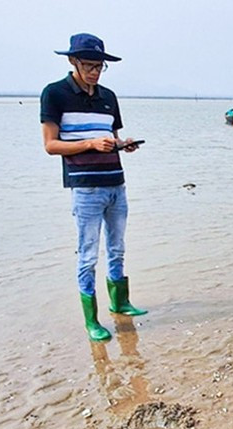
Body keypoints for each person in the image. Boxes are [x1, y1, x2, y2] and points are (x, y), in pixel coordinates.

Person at [40, 33, 147, 342]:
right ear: (73, 61)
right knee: (88, 254)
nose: (95, 71)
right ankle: (92, 321)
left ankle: (121, 302)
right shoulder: (54, 94)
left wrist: (121, 144)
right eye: (89, 65)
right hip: (85, 188)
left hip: (116, 181)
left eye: (100, 66)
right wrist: (89, 143)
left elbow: (109, 136)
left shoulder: (108, 96)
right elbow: (50, 145)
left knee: (118, 248)